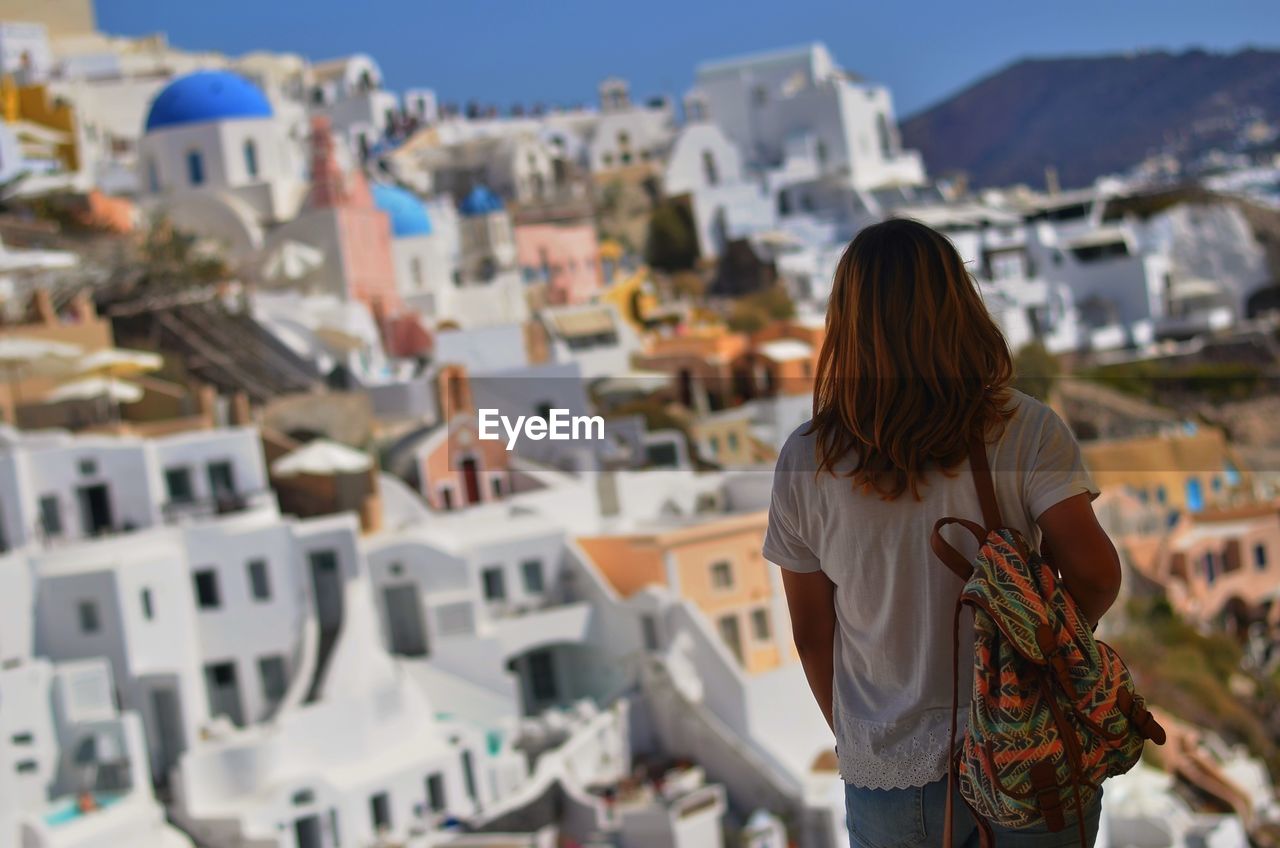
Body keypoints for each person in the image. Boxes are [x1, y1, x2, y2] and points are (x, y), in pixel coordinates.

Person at [762, 218, 1121, 847]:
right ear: (959, 304)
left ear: (847, 321)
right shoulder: (1023, 427)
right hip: (1028, 754)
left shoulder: (807, 460)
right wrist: (1041, 652)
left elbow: (813, 637)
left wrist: (862, 743)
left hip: (890, 780)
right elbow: (1094, 574)